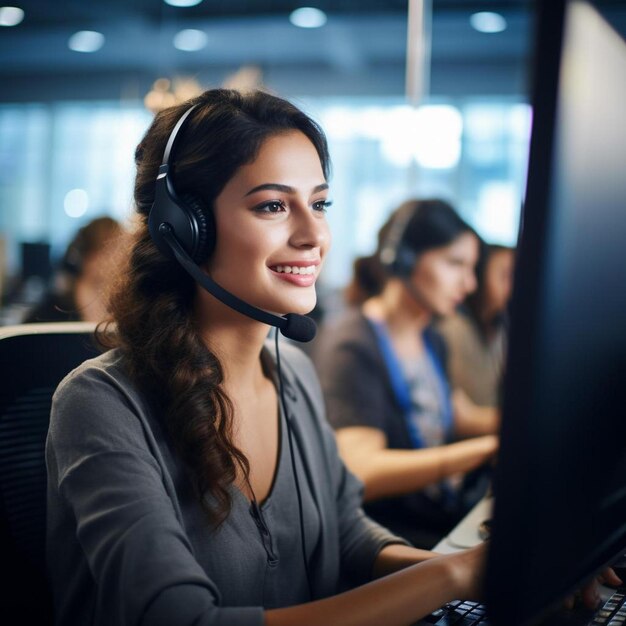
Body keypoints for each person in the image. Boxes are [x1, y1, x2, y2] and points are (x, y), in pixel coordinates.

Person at [45, 89, 487, 626]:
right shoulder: (101, 405)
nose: (314, 235)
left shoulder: (292, 373)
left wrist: (485, 572)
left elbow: (346, 533)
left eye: (319, 203)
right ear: (186, 228)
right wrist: (451, 576)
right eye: (273, 206)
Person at [312, 199, 500, 549]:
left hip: (437, 514)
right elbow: (361, 468)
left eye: (472, 268)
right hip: (390, 537)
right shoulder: (354, 345)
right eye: (455, 263)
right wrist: (480, 452)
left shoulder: (431, 336)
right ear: (405, 258)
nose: (470, 283)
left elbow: (454, 413)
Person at [437, 243, 515, 408]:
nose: (512, 288)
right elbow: (458, 416)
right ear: (479, 277)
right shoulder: (453, 329)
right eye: (505, 276)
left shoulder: (500, 331)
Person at [25, 216, 124, 323]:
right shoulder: (56, 307)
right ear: (87, 256)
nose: (117, 259)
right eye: (109, 251)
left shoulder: (122, 307)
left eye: (118, 251)